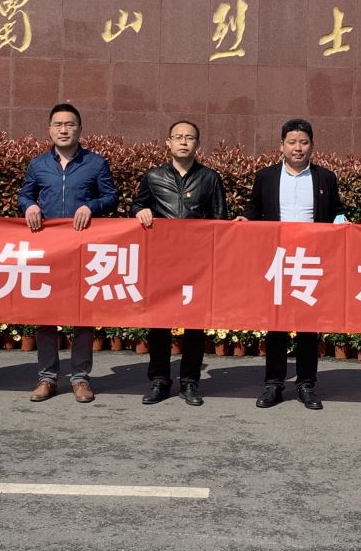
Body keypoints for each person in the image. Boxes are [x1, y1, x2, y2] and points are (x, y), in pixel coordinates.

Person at [238, 118, 346, 411]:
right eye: (292, 142)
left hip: (310, 261)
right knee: (276, 324)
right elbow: (254, 207)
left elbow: (336, 210)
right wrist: (246, 218)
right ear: (282, 146)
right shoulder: (266, 176)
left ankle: (306, 384)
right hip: (278, 260)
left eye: (304, 142)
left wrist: (342, 221)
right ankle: (274, 384)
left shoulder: (325, 178)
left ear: (312, 146)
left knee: (308, 325)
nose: (298, 148)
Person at [19, 103, 117, 403]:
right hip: (47, 249)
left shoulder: (96, 163)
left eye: (70, 124)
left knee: (81, 314)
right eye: (58, 124)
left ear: (80, 129)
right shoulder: (38, 164)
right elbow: (24, 195)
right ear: (50, 130)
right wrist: (29, 205)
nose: (64, 130)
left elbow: (111, 197)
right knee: (45, 315)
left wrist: (92, 206)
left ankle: (80, 378)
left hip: (82, 249)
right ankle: (47, 378)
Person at [133, 119, 228, 406]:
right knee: (158, 322)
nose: (183, 142)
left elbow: (220, 220)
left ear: (197, 144)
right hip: (161, 262)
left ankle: (189, 382)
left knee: (194, 324)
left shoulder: (210, 178)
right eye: (178, 137)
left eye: (189, 137)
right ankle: (159, 380)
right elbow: (136, 205)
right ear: (169, 142)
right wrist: (140, 211)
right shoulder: (153, 177)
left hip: (197, 264)